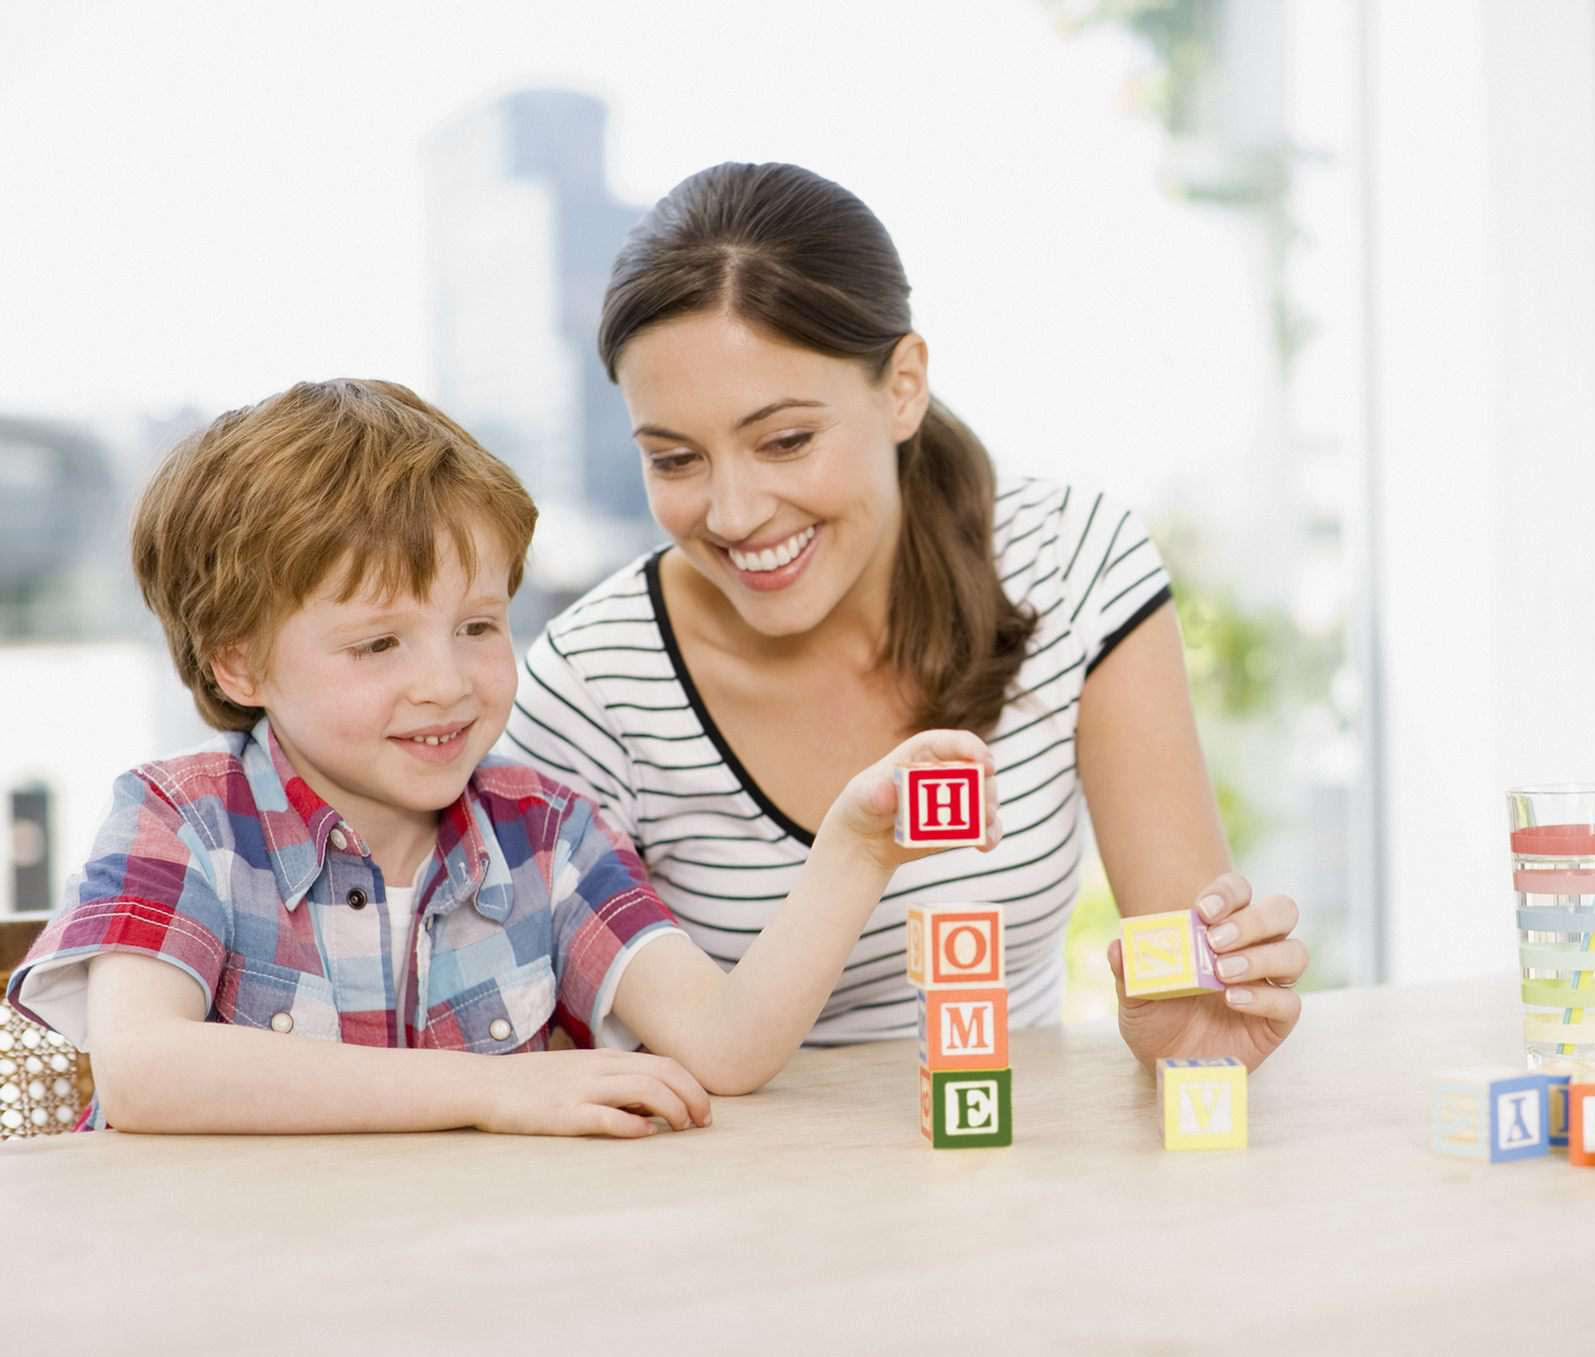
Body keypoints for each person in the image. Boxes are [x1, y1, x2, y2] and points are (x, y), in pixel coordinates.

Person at [4, 378, 999, 1135]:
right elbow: (144, 1073)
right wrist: (493, 1088)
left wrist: (856, 850)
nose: (448, 681)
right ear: (240, 661)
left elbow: (728, 1046)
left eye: (479, 625)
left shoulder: (548, 834)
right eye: (379, 644)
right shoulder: (181, 818)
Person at [502, 161, 1308, 1068]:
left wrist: (1190, 1027)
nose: (732, 515)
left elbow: (1187, 967)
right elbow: (562, 1051)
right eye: (676, 460)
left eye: (786, 440)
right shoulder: (591, 682)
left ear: (903, 386)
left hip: (1008, 1168)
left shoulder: (1072, 561)